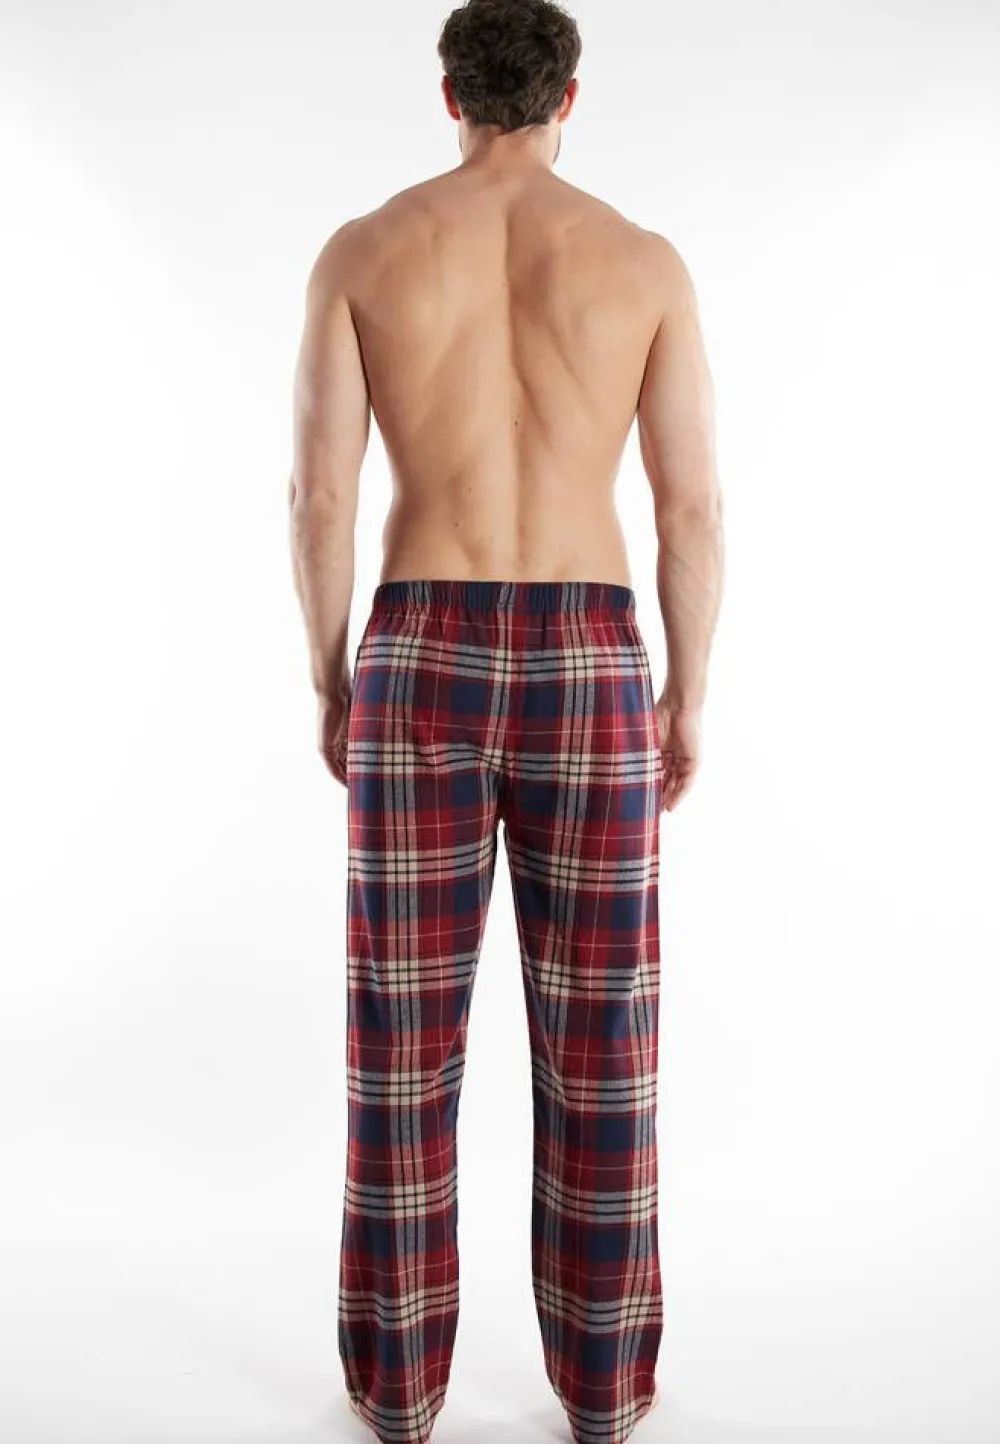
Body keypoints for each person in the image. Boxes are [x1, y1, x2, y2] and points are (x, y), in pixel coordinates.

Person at [288, 1, 724, 1440]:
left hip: (421, 645)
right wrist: (687, 688)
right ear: (571, 98)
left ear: (448, 93)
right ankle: (602, 1393)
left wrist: (332, 673)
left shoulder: (364, 251)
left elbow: (322, 494)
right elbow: (692, 508)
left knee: (402, 1041)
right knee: (602, 1042)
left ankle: (400, 1392)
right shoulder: (642, 263)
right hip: (590, 656)